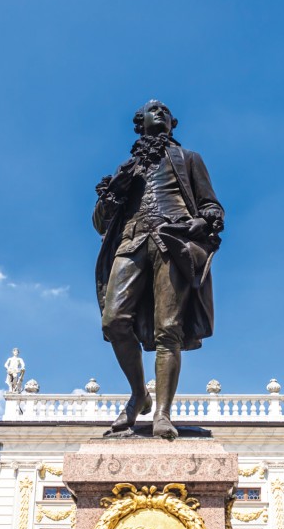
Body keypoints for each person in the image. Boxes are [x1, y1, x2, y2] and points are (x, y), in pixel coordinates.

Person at [92, 100, 224, 439]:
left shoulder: (189, 158)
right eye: (154, 110)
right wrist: (108, 198)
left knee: (169, 327)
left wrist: (200, 222)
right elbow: (99, 223)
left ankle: (162, 414)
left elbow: (211, 204)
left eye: (166, 111)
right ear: (141, 122)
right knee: (113, 320)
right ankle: (140, 394)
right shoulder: (126, 170)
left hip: (172, 240)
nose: (161, 113)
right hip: (131, 241)